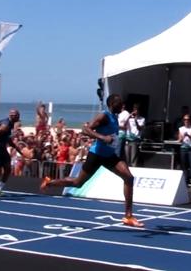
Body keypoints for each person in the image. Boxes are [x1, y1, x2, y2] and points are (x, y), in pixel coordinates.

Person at [40, 94, 144, 227]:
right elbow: (85, 130)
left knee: (129, 178)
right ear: (112, 104)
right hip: (96, 155)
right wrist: (102, 137)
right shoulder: (104, 116)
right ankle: (50, 182)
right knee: (78, 183)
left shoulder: (115, 117)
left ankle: (128, 216)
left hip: (110, 156)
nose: (123, 105)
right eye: (120, 103)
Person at [0, 109, 28, 196]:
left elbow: (9, 141)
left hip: (3, 149)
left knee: (8, 169)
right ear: (12, 116)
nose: (19, 117)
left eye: (18, 115)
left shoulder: (10, 125)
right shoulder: (5, 126)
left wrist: (21, 153)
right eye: (17, 115)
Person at [177, 114, 191, 185]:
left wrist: (188, 135)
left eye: (188, 119)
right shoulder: (181, 128)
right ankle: (185, 181)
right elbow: (179, 140)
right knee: (184, 165)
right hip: (183, 148)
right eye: (185, 119)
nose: (186, 121)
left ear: (190, 120)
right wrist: (183, 137)